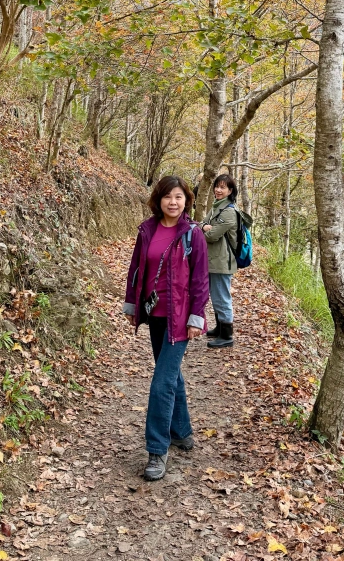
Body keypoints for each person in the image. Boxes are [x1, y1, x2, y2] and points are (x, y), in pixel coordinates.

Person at [123, 175, 209, 482]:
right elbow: (136, 269)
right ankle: (182, 432)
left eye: (179, 197)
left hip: (180, 318)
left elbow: (200, 278)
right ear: (158, 200)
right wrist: (132, 304)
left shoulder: (193, 234)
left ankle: (157, 451)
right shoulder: (147, 230)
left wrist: (196, 316)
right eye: (168, 197)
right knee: (170, 374)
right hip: (154, 314)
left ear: (187, 201)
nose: (173, 202)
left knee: (161, 382)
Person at [203, 173, 238, 349]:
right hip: (214, 260)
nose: (218, 189)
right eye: (217, 186)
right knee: (216, 296)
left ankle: (227, 335)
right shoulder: (217, 207)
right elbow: (203, 224)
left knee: (222, 297)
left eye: (223, 187)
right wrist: (205, 226)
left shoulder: (229, 211)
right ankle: (219, 328)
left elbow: (212, 235)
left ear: (230, 190)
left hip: (223, 262)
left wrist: (206, 228)